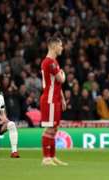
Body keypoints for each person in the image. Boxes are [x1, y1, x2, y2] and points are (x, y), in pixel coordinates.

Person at [40, 36, 68, 166]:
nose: (62, 48)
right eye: (60, 45)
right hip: (49, 100)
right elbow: (61, 79)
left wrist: (62, 98)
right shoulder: (49, 62)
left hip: (55, 100)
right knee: (49, 129)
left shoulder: (54, 62)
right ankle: (46, 158)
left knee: (55, 129)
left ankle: (52, 156)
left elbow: (58, 84)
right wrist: (63, 74)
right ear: (53, 46)